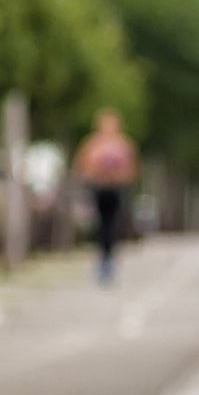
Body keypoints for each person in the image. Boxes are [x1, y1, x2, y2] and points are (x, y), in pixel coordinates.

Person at [73, 108, 140, 284]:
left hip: (115, 190)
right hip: (98, 189)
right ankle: (102, 259)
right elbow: (82, 166)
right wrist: (96, 174)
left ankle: (109, 260)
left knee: (112, 225)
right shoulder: (92, 144)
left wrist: (117, 176)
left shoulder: (123, 144)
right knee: (100, 225)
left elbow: (131, 169)